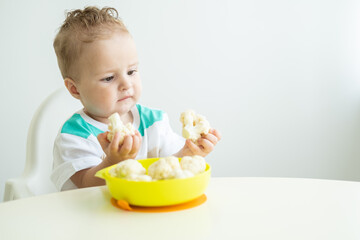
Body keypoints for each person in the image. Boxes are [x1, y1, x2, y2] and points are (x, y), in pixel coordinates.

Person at [51, 6, 221, 191]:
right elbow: (85, 185)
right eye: (109, 78)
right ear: (75, 89)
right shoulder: (75, 135)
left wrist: (188, 153)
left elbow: (169, 168)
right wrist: (112, 162)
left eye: (131, 71)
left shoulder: (153, 122)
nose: (126, 84)